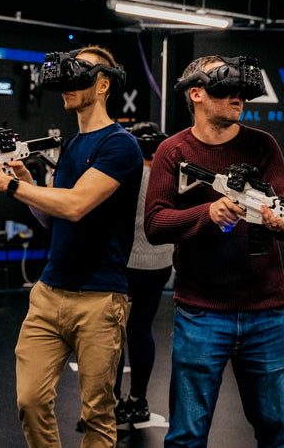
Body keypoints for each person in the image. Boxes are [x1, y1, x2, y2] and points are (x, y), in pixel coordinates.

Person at [0, 45, 143, 448]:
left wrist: (9, 186)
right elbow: (53, 217)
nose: (67, 85)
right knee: (30, 402)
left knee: (97, 415)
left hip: (100, 298)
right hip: (49, 293)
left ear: (103, 85)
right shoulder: (73, 144)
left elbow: (76, 205)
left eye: (78, 76)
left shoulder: (119, 145)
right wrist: (26, 182)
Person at [144, 55, 284, 448]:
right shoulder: (173, 151)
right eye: (225, 87)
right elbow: (156, 224)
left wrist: (282, 224)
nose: (237, 97)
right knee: (187, 436)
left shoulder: (262, 145)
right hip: (201, 312)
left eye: (241, 91)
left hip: (266, 311)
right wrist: (207, 213)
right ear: (196, 93)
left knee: (278, 435)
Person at [113, 121, 174, 425]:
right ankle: (139, 400)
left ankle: (113, 403)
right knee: (141, 330)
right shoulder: (170, 179)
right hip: (160, 264)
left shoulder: (126, 177)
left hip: (126, 265)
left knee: (116, 334)